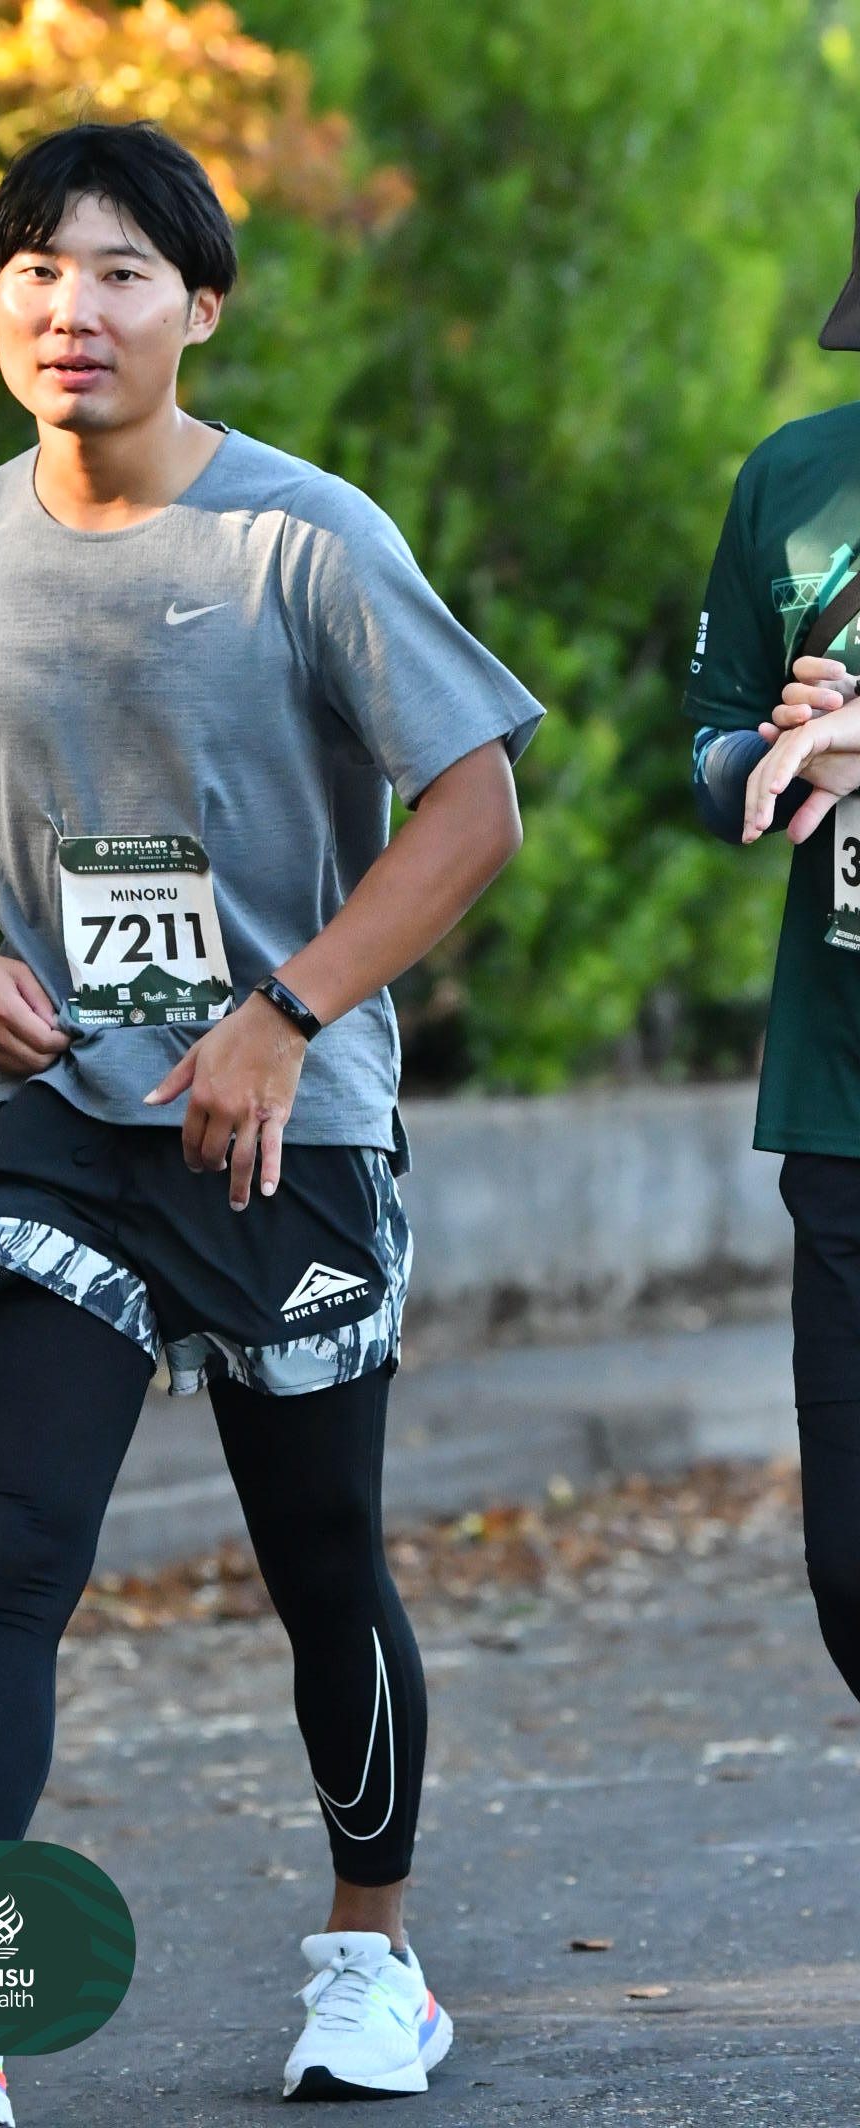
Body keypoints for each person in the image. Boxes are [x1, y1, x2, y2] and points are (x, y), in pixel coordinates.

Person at [0, 118, 544, 2125]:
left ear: (198, 309)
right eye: (36, 269)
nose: (73, 309)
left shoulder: (302, 537)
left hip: (282, 1131)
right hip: (55, 1118)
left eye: (122, 271)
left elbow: (474, 803)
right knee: (10, 1542)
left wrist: (285, 1014)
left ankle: (374, 1956)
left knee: (322, 1558)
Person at [686, 187, 860, 1710]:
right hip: (845, 1094)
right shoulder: (795, 481)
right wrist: (779, 748)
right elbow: (708, 741)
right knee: (851, 1573)